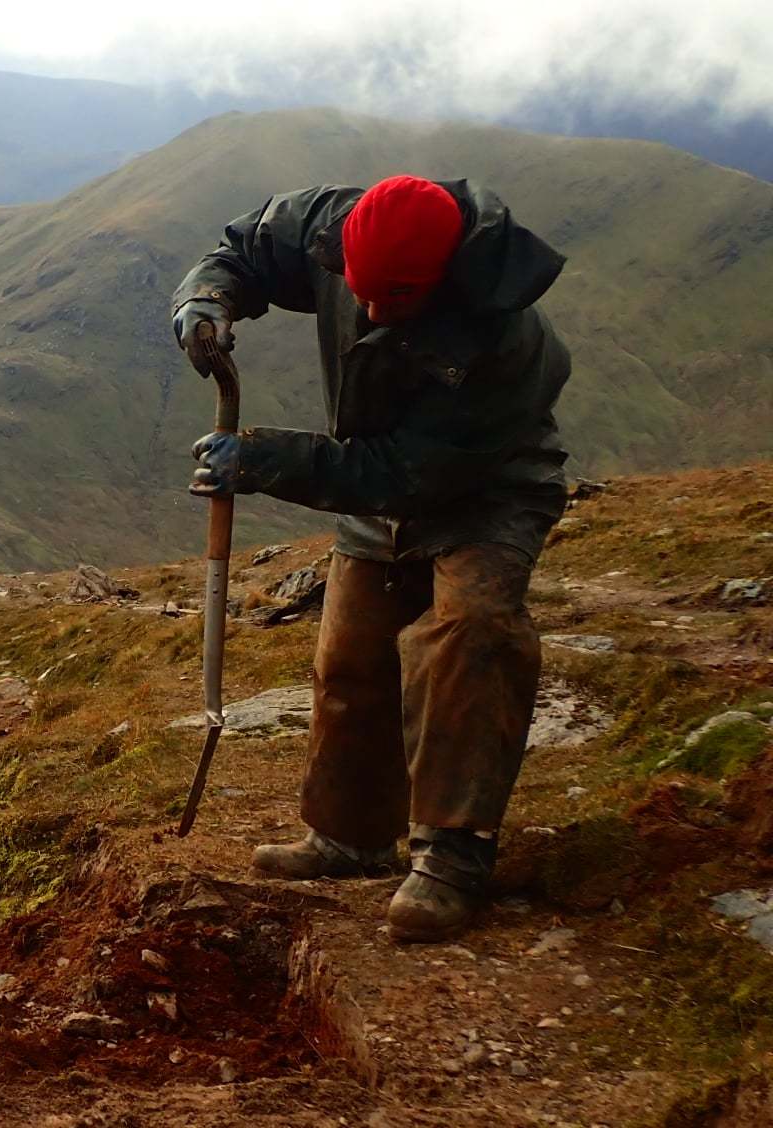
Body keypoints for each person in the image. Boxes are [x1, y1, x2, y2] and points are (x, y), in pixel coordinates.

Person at [168, 175, 571, 942]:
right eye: (365, 295)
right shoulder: (330, 226)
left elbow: (406, 474)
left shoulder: (503, 338)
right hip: (376, 478)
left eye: (398, 300)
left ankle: (452, 854)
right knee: (351, 656)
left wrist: (261, 459)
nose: (376, 314)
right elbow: (244, 249)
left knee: (469, 634)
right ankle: (349, 839)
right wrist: (208, 298)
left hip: (484, 488)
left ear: (443, 275)